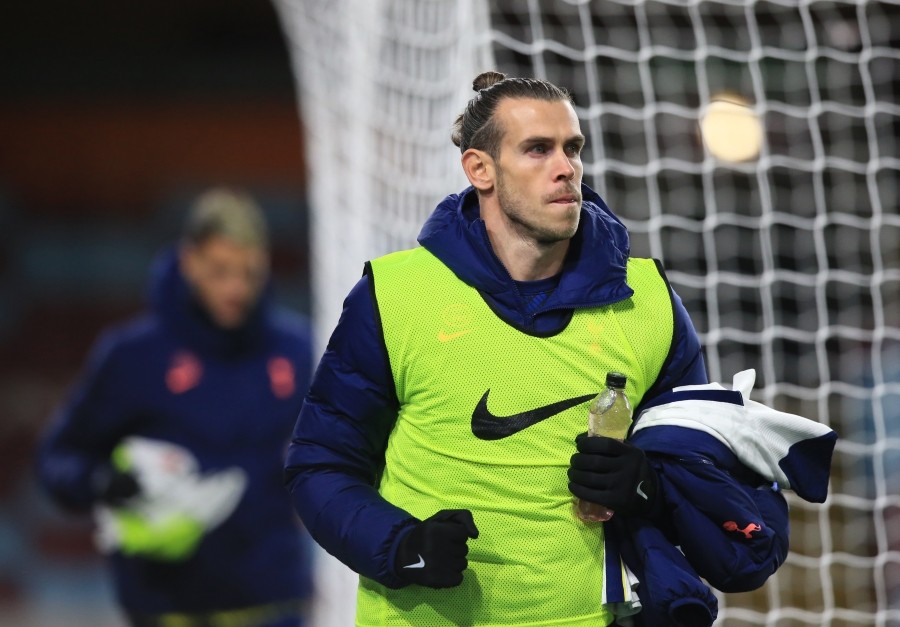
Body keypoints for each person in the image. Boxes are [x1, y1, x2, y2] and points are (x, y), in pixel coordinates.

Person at [284, 72, 791, 626]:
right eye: (537, 149)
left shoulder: (648, 302)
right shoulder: (395, 296)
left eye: (573, 148)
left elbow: (705, 470)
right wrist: (402, 545)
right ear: (480, 169)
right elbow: (321, 464)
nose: (566, 167)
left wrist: (646, 484)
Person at [37, 188, 314, 627]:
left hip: (272, 603)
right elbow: (57, 459)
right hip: (164, 606)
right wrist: (102, 481)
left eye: (249, 273)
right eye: (219, 271)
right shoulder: (132, 356)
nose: (235, 288)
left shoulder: (297, 351)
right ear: (189, 262)